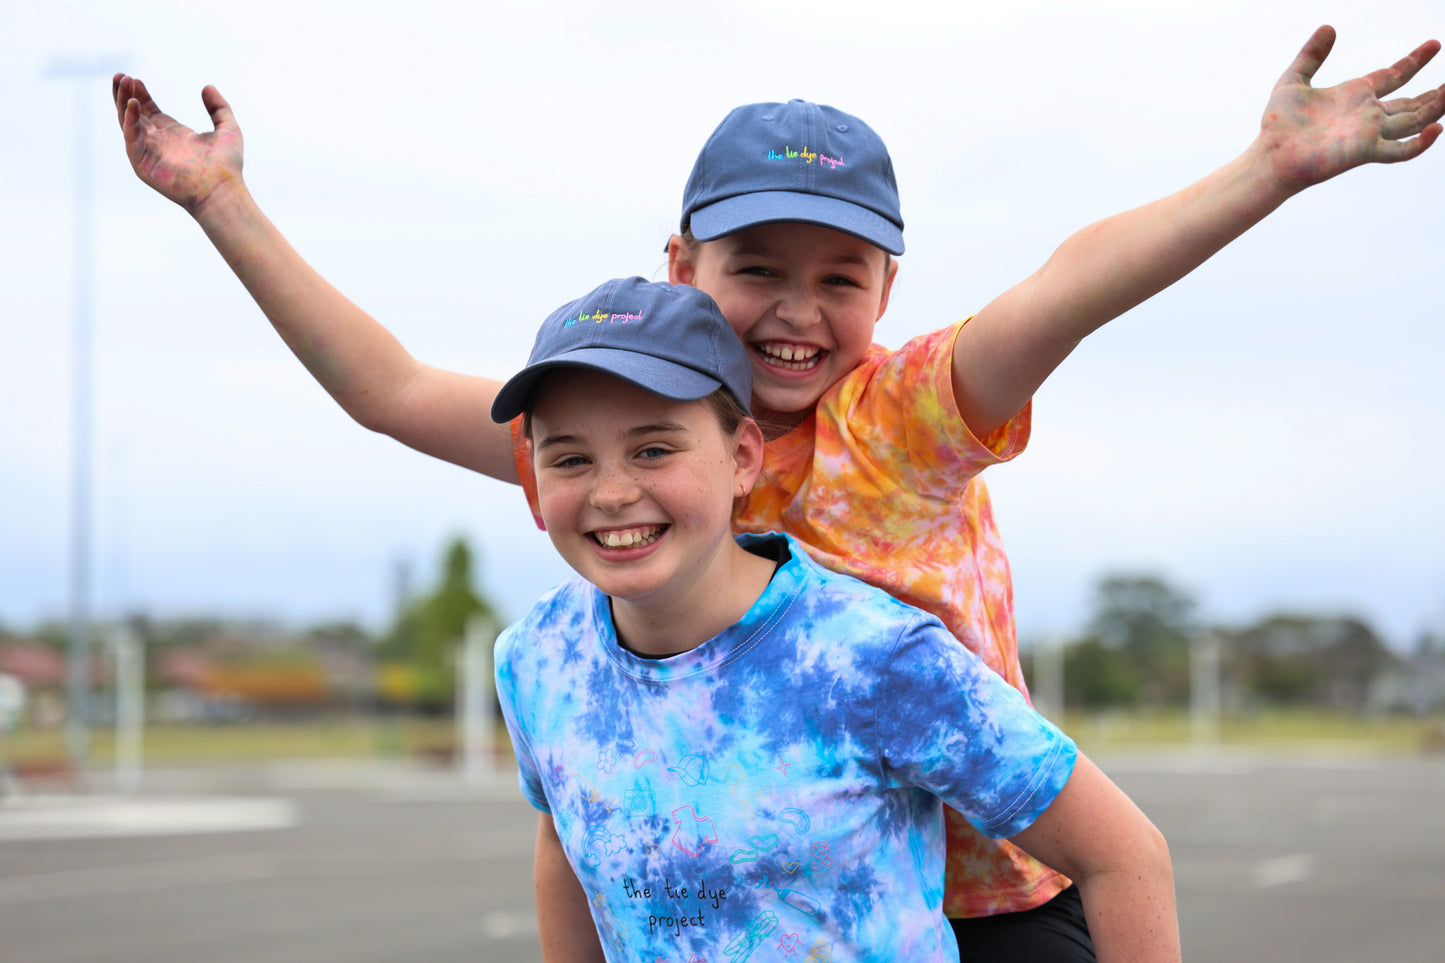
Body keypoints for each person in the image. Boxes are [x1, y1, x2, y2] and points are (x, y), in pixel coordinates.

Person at [111, 23, 1443, 958]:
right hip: (791, 883)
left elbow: (1069, 283)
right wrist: (222, 204)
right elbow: (389, 385)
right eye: (757, 266)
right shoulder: (643, 426)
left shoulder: (911, 409)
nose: (797, 313)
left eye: (839, 279)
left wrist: (1265, 172)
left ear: (886, 293)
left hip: (992, 897)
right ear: (681, 257)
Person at [488, 274, 1176, 962]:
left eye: (654, 449)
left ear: (741, 457)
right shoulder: (537, 660)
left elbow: (1122, 852)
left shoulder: (871, 655)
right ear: (534, 482)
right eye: (572, 458)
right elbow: (561, 837)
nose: (611, 492)